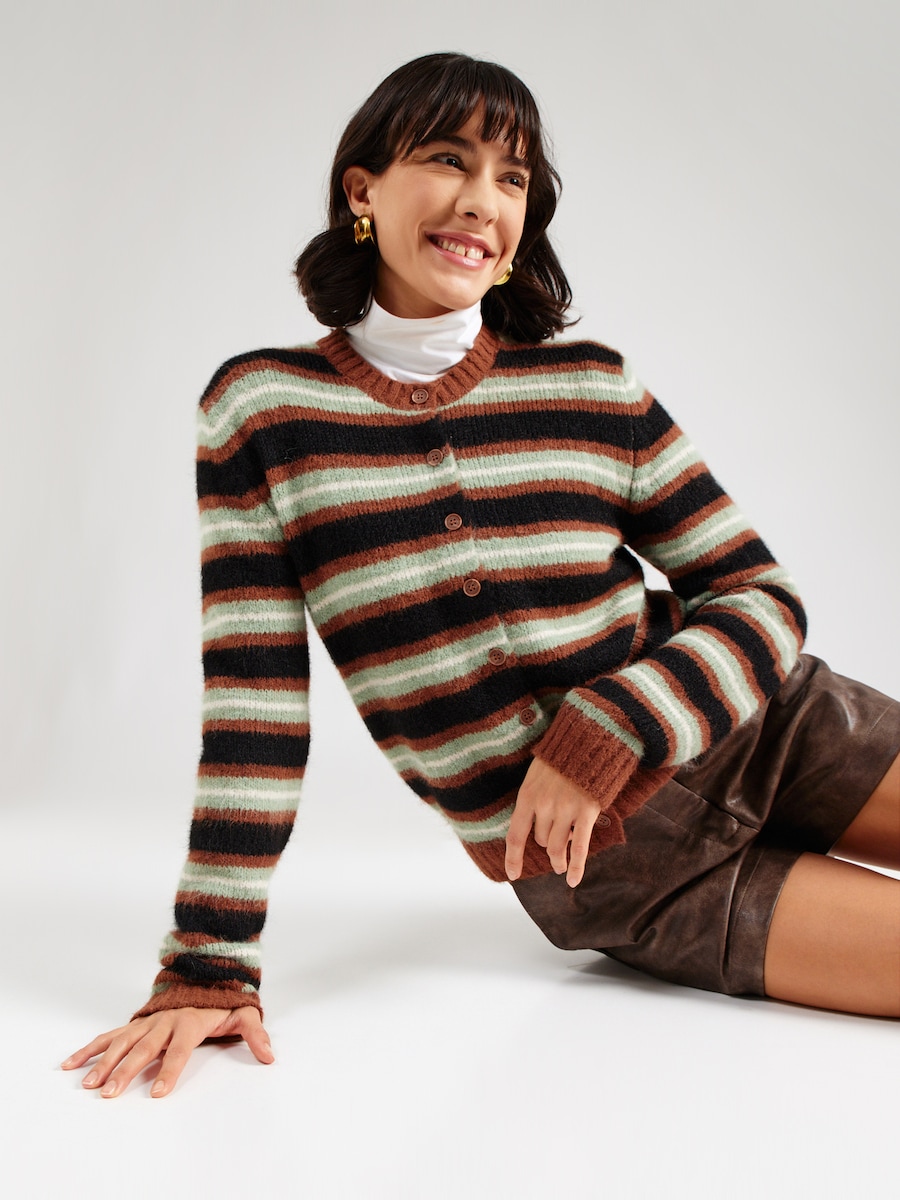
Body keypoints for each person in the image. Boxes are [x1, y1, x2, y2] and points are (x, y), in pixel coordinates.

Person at [62, 52, 900, 1099]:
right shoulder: (262, 413)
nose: (480, 201)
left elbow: (759, 598)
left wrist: (611, 728)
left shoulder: (592, 387)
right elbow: (255, 706)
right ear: (362, 190)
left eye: (512, 178)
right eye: (447, 160)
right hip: (624, 877)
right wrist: (208, 962)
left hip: (780, 731)